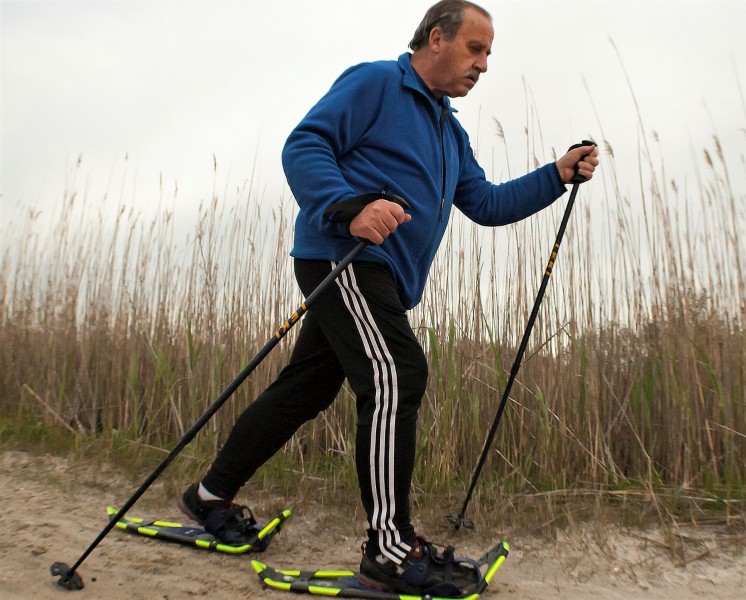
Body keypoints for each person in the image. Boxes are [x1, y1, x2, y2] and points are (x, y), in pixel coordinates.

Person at [179, 0, 598, 595]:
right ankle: (390, 550)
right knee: (397, 374)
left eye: (488, 54)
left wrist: (556, 173)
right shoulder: (378, 82)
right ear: (435, 39)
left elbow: (486, 205)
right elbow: (305, 144)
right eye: (475, 49)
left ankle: (208, 496)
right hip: (344, 256)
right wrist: (349, 207)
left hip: (381, 279)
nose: (483, 65)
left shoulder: (450, 132)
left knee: (305, 388)